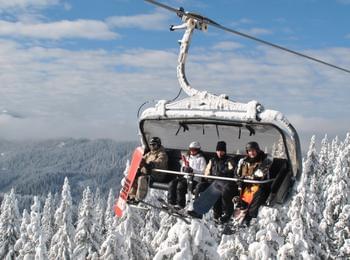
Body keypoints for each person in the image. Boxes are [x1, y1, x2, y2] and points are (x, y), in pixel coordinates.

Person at [189, 141, 239, 223]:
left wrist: (221, 174)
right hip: (212, 182)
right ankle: (197, 209)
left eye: (222, 151)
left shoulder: (229, 160)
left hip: (223, 183)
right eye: (218, 151)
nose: (220, 153)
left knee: (216, 190)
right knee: (200, 186)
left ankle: (223, 213)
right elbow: (206, 173)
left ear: (224, 151)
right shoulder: (213, 160)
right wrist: (210, 178)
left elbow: (231, 170)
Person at [235, 141, 272, 224]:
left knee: (255, 195)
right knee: (237, 193)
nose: (252, 153)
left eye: (253, 151)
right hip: (247, 185)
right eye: (249, 151)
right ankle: (237, 214)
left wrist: (249, 178)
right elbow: (237, 173)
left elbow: (260, 174)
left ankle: (249, 217)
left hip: (260, 185)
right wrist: (239, 180)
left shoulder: (264, 159)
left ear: (257, 150)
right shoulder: (244, 161)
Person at [167, 141, 207, 209]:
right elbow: (182, 170)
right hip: (186, 177)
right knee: (172, 183)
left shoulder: (201, 159)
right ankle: (171, 202)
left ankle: (181, 204)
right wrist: (184, 169)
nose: (192, 151)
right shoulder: (188, 158)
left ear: (198, 150)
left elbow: (203, 172)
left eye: (194, 150)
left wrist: (193, 171)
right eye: (191, 149)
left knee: (181, 185)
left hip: (195, 180)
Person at [129, 137, 168, 201]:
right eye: (151, 145)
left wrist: (150, 164)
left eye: (154, 145)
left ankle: (139, 198)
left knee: (142, 178)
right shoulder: (150, 153)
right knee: (135, 175)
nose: (152, 147)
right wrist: (140, 162)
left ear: (158, 145)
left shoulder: (162, 154)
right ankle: (132, 195)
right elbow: (143, 159)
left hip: (158, 175)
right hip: (149, 173)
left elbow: (159, 163)